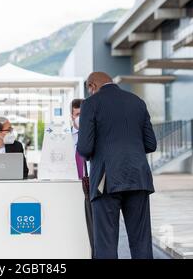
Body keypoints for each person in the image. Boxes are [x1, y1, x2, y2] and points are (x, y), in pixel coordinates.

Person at [77, 72, 157, 259]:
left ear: (92, 86)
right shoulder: (137, 101)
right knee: (141, 241)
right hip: (138, 177)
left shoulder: (90, 104)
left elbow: (85, 147)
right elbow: (151, 144)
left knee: (106, 243)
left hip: (106, 180)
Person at [70, 98, 85, 179]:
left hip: (89, 183)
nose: (81, 118)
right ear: (72, 116)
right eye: (78, 114)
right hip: (70, 182)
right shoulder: (65, 137)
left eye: (83, 114)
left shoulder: (95, 135)